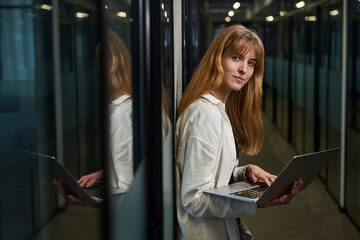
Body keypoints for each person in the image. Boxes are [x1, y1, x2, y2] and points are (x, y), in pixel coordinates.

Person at [175, 24, 303, 239]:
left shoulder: (216, 109)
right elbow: (194, 199)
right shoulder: (204, 114)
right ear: (218, 58)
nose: (244, 69)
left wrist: (245, 172)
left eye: (251, 63)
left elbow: (212, 178)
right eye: (236, 58)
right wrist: (256, 202)